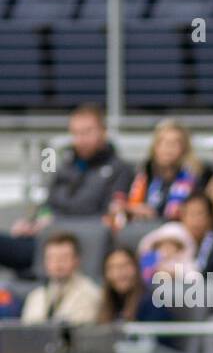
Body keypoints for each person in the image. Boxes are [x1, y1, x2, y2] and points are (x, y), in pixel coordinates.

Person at [0, 104, 133, 273]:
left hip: (79, 246)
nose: (80, 139)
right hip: (45, 239)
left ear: (103, 132)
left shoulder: (120, 169)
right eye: (75, 133)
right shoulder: (66, 165)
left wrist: (55, 222)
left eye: (87, 132)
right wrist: (33, 223)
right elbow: (48, 205)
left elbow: (108, 215)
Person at [113, 119, 208, 225]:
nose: (168, 147)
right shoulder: (138, 174)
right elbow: (115, 206)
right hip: (137, 231)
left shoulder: (195, 180)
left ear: (185, 149)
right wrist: (132, 208)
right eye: (163, 142)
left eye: (175, 143)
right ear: (155, 146)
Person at [21, 233, 102, 326]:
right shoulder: (35, 296)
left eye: (64, 258)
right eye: (52, 258)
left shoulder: (90, 293)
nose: (57, 264)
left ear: (76, 260)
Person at [99, 246, 149, 323]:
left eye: (125, 265)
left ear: (136, 268)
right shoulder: (106, 303)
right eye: (112, 267)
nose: (119, 273)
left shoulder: (151, 303)